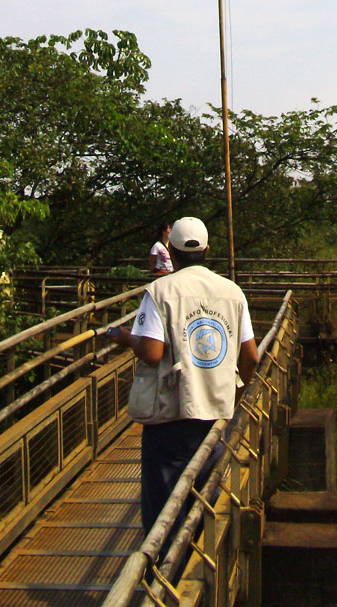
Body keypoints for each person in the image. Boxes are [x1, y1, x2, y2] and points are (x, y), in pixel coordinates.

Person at [108, 216, 259, 535]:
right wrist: (236, 395)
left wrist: (126, 338)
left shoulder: (160, 291)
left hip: (169, 419)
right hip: (214, 417)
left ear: (171, 252)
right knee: (206, 502)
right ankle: (203, 573)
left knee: (165, 514)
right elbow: (251, 356)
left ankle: (162, 578)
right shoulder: (232, 292)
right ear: (207, 249)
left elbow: (151, 352)